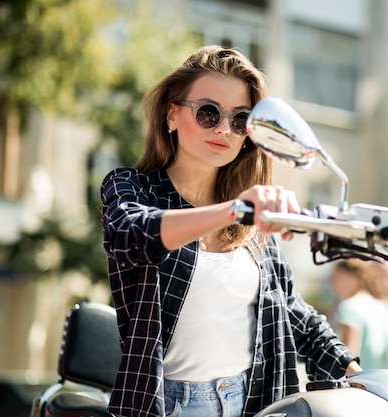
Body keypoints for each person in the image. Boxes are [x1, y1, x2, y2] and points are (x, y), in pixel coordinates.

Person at [100, 45, 361, 417]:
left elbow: (290, 310)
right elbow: (130, 236)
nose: (224, 128)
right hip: (168, 405)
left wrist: (358, 372)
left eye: (240, 120)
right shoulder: (132, 187)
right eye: (208, 113)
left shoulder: (251, 219)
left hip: (253, 401)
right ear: (172, 115)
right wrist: (235, 210)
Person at [328, 258, 388, 370]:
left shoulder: (348, 307)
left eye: (337, 277)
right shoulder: (380, 307)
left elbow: (347, 359)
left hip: (357, 383)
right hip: (379, 381)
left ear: (354, 278)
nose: (331, 281)